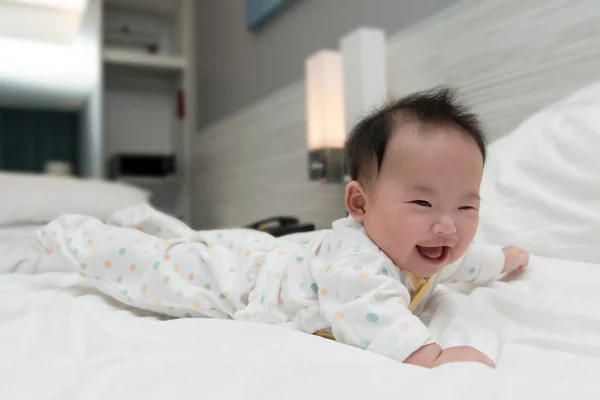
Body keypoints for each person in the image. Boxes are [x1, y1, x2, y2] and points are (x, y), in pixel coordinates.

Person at [35, 86, 529, 369]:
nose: (447, 226)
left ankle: (150, 223)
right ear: (359, 203)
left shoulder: (429, 244)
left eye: (467, 206)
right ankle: (74, 233)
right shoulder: (358, 267)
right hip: (240, 284)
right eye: (423, 201)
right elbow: (377, 319)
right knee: (159, 268)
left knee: (194, 241)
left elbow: (467, 260)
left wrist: (505, 260)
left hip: (279, 255)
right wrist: (434, 357)